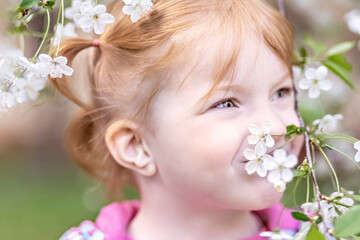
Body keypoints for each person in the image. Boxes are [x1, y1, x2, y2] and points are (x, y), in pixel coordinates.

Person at [56, 0, 304, 239]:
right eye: (226, 103)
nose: (278, 126)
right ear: (136, 146)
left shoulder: (312, 234)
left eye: (281, 93)